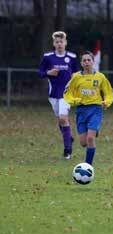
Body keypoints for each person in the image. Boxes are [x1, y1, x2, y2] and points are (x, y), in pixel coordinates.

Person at [64, 51, 113, 165]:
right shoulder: (76, 77)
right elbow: (67, 93)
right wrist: (75, 101)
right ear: (81, 63)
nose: (86, 62)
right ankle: (93, 130)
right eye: (84, 60)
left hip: (95, 109)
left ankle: (88, 166)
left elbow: (109, 92)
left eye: (89, 60)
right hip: (81, 110)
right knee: (83, 143)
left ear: (93, 62)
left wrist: (106, 102)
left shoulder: (100, 77)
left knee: (90, 139)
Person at [38, 31, 79, 159]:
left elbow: (77, 73)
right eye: (57, 42)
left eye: (61, 42)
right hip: (53, 94)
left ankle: (68, 150)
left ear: (65, 43)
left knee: (62, 118)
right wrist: (49, 72)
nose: (59, 44)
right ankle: (69, 137)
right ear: (54, 44)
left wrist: (75, 80)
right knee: (61, 120)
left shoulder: (72, 57)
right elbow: (40, 72)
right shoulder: (48, 57)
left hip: (67, 94)